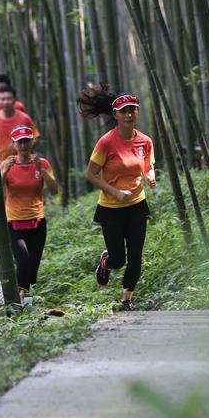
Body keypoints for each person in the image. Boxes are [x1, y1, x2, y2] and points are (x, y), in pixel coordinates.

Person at [78, 86, 156, 311]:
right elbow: (90, 174)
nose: (129, 114)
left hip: (137, 205)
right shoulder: (106, 143)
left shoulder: (145, 141)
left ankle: (127, 299)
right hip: (111, 208)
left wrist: (150, 177)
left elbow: (148, 166)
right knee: (118, 260)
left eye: (132, 110)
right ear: (115, 115)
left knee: (136, 256)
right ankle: (106, 261)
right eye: (124, 111)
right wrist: (114, 192)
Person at [1, 125, 58, 308]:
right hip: (14, 221)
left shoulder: (42, 163)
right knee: (23, 260)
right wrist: (4, 171)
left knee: (33, 264)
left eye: (27, 141)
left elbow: (54, 189)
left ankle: (26, 300)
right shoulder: (7, 164)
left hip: (37, 220)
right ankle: (15, 298)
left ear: (32, 142)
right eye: (20, 142)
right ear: (13, 144)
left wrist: (41, 169)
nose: (24, 145)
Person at [0, 85, 39, 161]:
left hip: (23, 163)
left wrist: (20, 146)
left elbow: (36, 138)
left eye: (9, 99)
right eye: (3, 99)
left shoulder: (24, 118)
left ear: (15, 100)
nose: (6, 102)